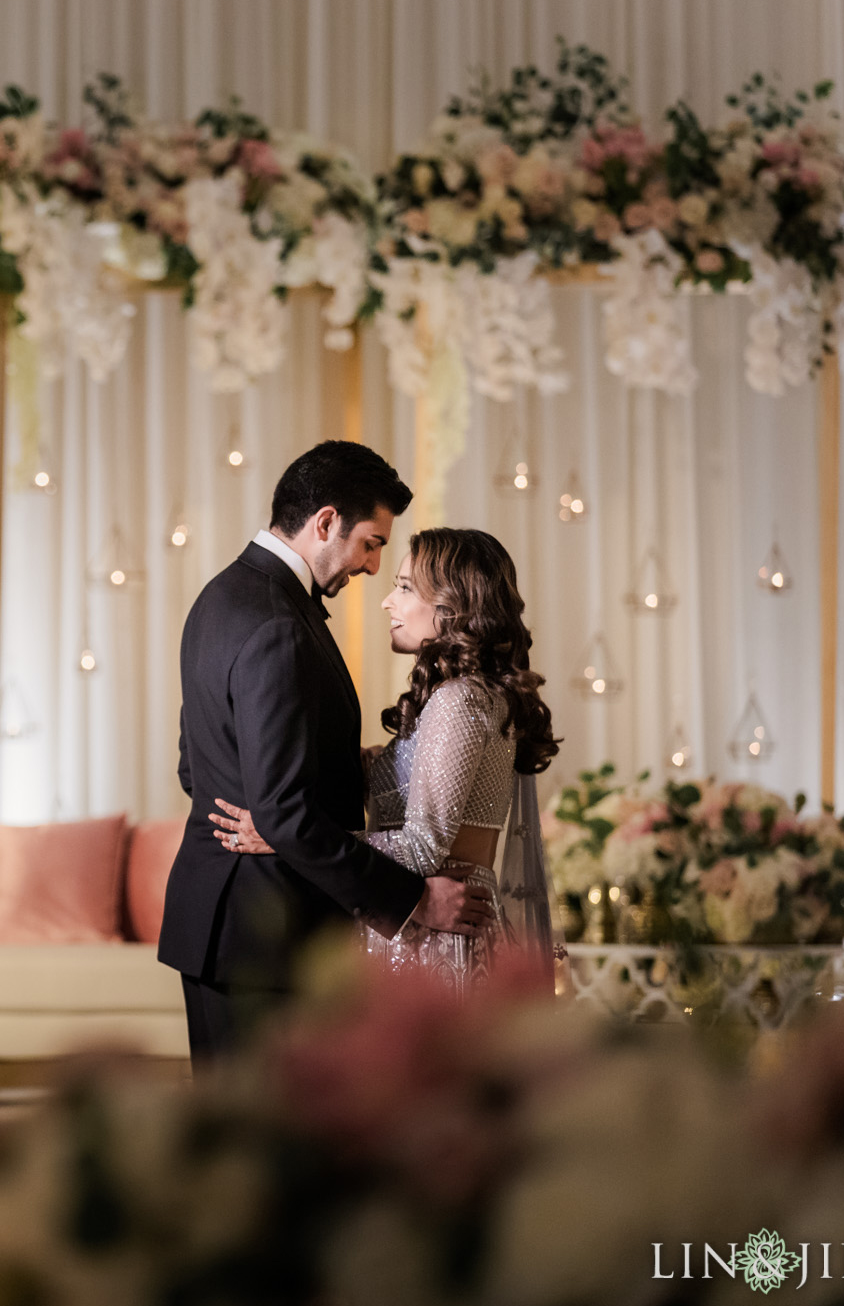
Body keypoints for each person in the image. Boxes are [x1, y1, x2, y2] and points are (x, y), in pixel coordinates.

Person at [158, 443, 493, 1065]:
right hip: (264, 932)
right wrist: (416, 899)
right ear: (326, 522)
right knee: (273, 1149)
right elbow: (284, 813)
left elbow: (194, 763)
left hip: (224, 923)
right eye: (371, 543)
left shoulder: (219, 598)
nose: (371, 568)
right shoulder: (279, 623)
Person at [212, 526, 560, 992]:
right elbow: (395, 782)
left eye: (403, 587)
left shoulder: (460, 700)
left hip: (440, 933)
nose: (387, 602)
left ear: (452, 605)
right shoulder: (465, 696)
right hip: (425, 927)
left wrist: (288, 836)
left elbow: (422, 847)